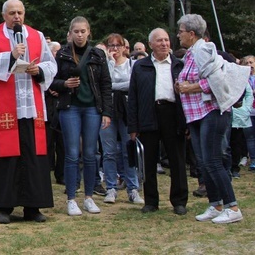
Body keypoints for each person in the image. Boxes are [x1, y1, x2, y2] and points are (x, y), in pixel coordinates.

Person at [0, 0, 57, 223]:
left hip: (30, 105)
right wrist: (10, 56)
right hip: (2, 107)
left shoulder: (36, 36)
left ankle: (33, 206)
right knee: (5, 156)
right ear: (4, 15)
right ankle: (4, 206)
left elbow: (51, 65)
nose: (17, 17)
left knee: (33, 155)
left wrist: (37, 69)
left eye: (20, 12)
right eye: (12, 13)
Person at [176, 14, 248, 224]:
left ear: (191, 33)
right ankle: (215, 204)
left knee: (214, 161)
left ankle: (232, 207)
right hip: (196, 114)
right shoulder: (191, 53)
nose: (178, 35)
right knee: (204, 162)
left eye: (181, 31)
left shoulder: (205, 49)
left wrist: (188, 87)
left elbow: (215, 80)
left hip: (211, 112)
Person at [52, 16, 112, 217]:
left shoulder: (97, 55)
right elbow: (51, 80)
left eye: (83, 31)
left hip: (92, 108)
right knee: (71, 153)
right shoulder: (62, 54)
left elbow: (105, 84)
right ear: (70, 34)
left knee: (90, 153)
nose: (79, 35)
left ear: (89, 32)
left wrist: (106, 112)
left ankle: (88, 197)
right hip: (70, 108)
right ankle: (71, 198)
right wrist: (64, 85)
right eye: (76, 31)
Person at [127, 28, 187, 214]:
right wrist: (133, 126)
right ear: (151, 44)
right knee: (149, 160)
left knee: (176, 160)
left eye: (167, 40)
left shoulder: (179, 65)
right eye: (159, 41)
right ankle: (151, 201)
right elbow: (133, 97)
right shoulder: (140, 66)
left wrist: (186, 123)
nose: (164, 44)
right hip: (149, 114)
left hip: (173, 115)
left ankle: (179, 201)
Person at [100, 33, 144, 205]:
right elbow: (105, 83)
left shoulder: (132, 65)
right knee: (109, 152)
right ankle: (111, 187)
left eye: (118, 45)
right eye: (111, 45)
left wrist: (112, 87)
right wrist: (110, 62)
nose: (115, 49)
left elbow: (132, 85)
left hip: (127, 112)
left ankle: (133, 188)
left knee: (129, 150)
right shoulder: (106, 65)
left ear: (125, 47)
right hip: (108, 111)